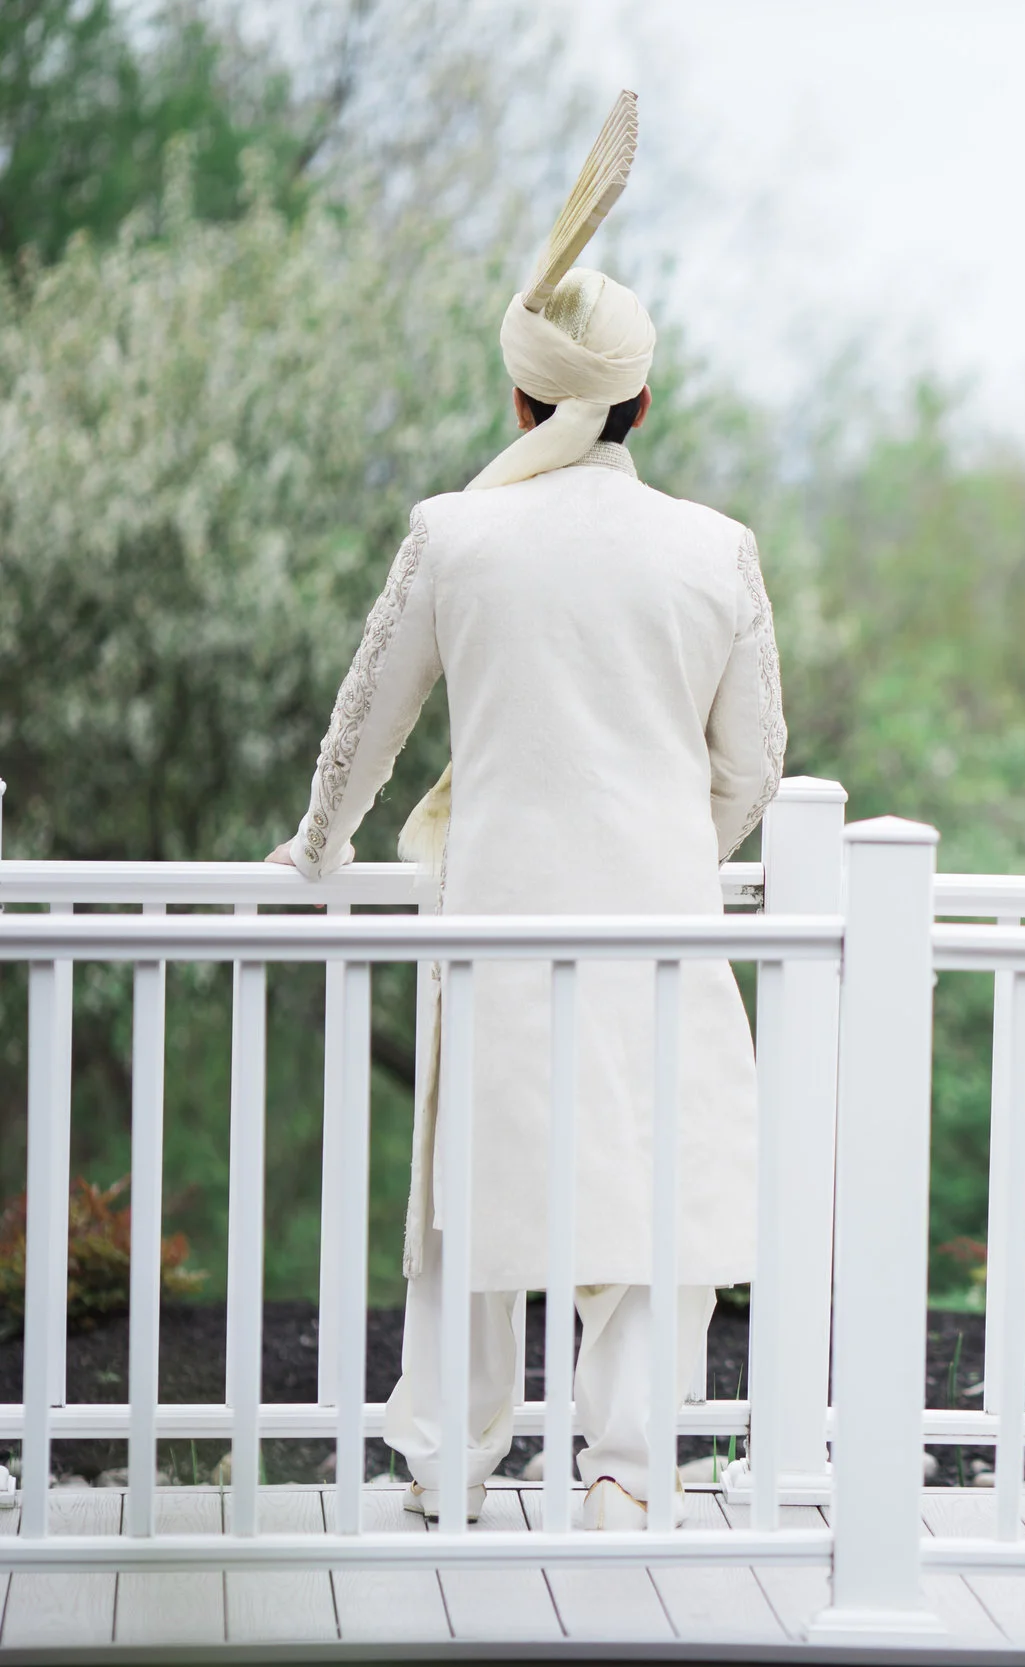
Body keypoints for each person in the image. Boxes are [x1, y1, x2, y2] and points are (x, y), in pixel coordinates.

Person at [269, 256, 785, 1529]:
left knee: (476, 1194)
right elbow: (755, 762)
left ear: (519, 400)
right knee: (650, 1187)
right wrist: (671, 847)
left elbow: (367, 724)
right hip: (658, 920)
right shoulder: (715, 551)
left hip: (499, 913)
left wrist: (315, 847)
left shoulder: (457, 533)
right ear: (642, 403)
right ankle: (624, 1467)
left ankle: (451, 1458)